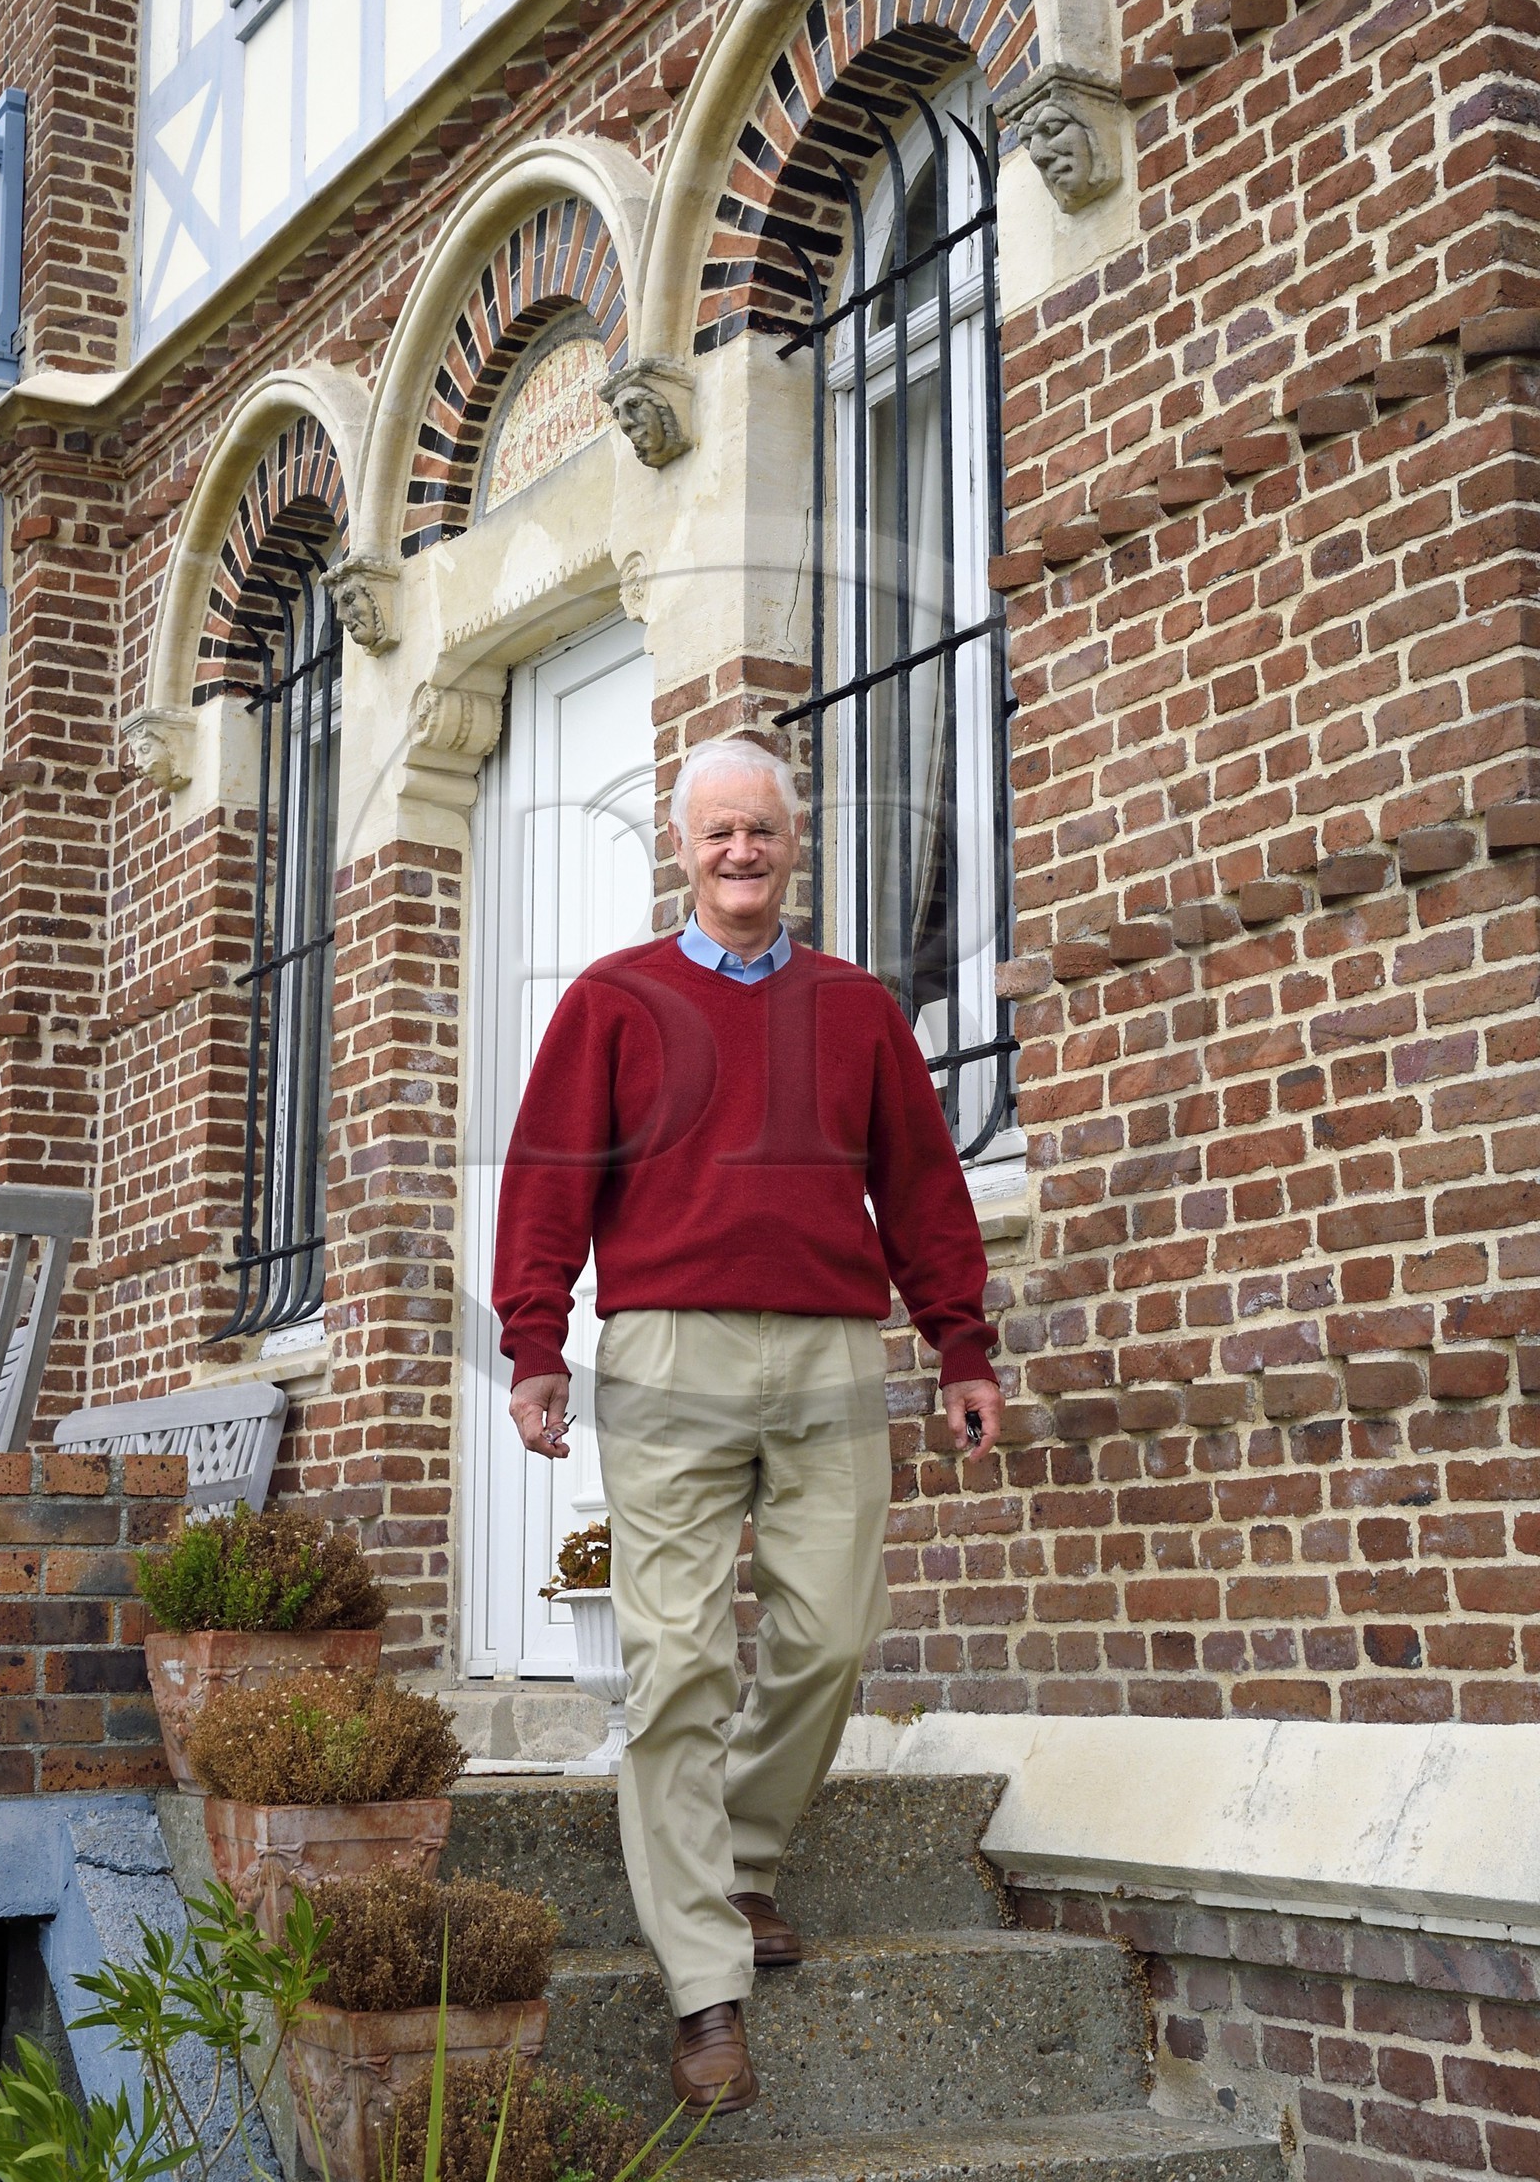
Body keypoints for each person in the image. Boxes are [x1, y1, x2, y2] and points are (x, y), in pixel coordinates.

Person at [492, 735, 1003, 2111]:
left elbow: (924, 1185)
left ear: (794, 846)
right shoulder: (613, 1002)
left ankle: (742, 1858)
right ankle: (706, 1985)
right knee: (673, 1663)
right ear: (683, 848)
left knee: (830, 1636)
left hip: (834, 1349)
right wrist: (536, 1341)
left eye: (761, 832)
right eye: (717, 833)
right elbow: (547, 1181)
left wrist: (962, 1341)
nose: (740, 853)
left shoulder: (858, 1008)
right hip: (668, 1352)